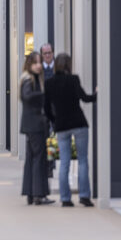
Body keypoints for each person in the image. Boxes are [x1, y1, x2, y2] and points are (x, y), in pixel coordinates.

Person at [44, 53, 97, 208]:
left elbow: (46, 108)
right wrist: (97, 94)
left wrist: (55, 121)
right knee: (82, 160)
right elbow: (85, 98)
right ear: (68, 65)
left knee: (64, 162)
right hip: (79, 123)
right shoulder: (73, 79)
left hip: (61, 125)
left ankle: (65, 198)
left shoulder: (49, 83)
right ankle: (84, 196)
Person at [20, 52, 54, 206]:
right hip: (35, 124)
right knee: (39, 159)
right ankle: (38, 194)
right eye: (36, 62)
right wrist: (43, 95)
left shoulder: (29, 79)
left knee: (32, 158)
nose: (39, 65)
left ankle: (31, 192)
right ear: (29, 64)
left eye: (39, 62)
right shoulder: (30, 80)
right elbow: (27, 96)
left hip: (31, 124)